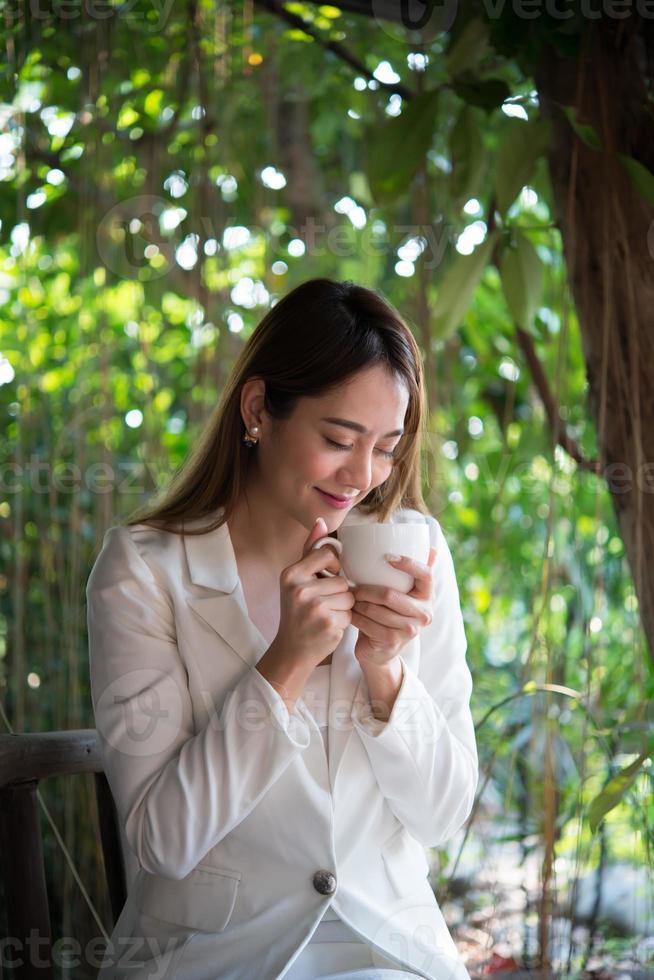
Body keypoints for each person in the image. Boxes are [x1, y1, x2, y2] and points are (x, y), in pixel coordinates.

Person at [86, 277, 478, 980]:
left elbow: (444, 815)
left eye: (387, 447)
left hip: (389, 949)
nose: (362, 475)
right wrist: (285, 665)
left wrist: (387, 674)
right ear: (259, 407)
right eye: (339, 438)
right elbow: (163, 841)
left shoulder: (412, 553)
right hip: (214, 957)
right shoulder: (145, 572)